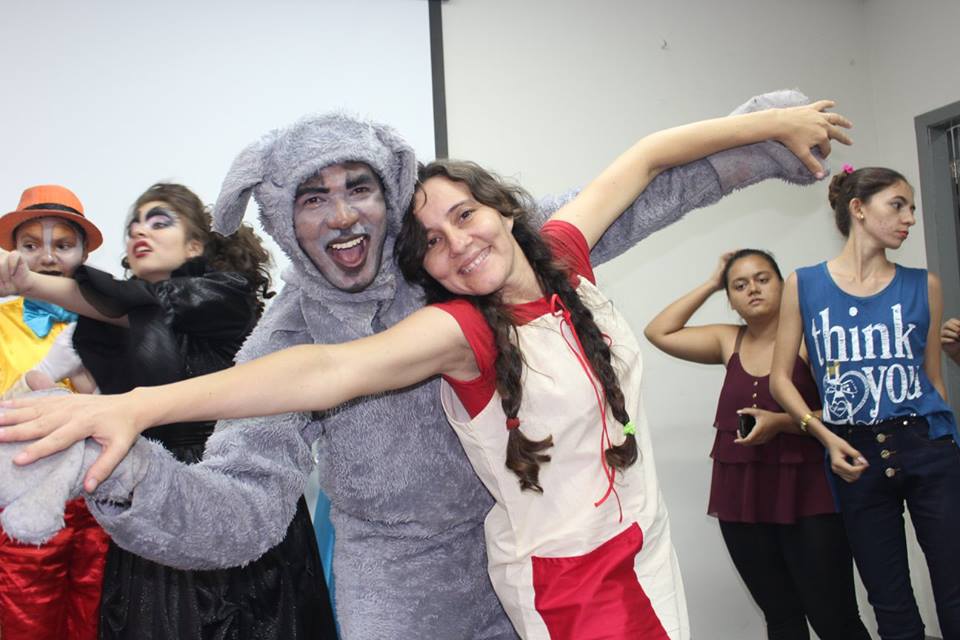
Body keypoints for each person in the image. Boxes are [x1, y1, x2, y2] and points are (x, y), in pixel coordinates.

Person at [0, 98, 849, 639]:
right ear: (278, 215)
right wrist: (130, 463)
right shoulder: (307, 329)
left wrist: (766, 137)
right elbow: (251, 496)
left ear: (393, 190)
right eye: (311, 197)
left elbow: (638, 191)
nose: (341, 215)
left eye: (358, 187)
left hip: (545, 564)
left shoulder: (459, 260)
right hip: (403, 595)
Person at [0, 183, 336, 640]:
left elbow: (145, 306)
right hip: (150, 496)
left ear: (195, 244)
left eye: (160, 221)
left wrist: (33, 282)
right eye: (134, 224)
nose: (141, 230)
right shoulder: (116, 326)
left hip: (232, 494)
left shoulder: (223, 297)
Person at [769, 166, 960, 639]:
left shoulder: (925, 286)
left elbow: (933, 380)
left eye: (912, 208)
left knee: (956, 587)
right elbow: (780, 381)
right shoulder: (804, 284)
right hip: (853, 454)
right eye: (898, 205)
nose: (909, 218)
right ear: (858, 208)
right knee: (889, 600)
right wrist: (826, 438)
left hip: (928, 445)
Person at [644, 249, 869, 639]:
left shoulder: (811, 339)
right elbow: (659, 331)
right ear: (730, 299)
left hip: (808, 493)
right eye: (739, 285)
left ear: (784, 286)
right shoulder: (727, 340)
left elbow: (848, 412)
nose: (753, 289)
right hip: (741, 497)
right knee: (780, 616)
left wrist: (782, 423)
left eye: (763, 279)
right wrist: (711, 283)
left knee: (834, 617)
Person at [0, 184, 109, 640]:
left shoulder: (112, 321)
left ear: (84, 254)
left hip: (103, 504)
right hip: (22, 502)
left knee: (98, 621)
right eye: (31, 246)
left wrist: (83, 376)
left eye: (62, 245)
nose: (47, 257)